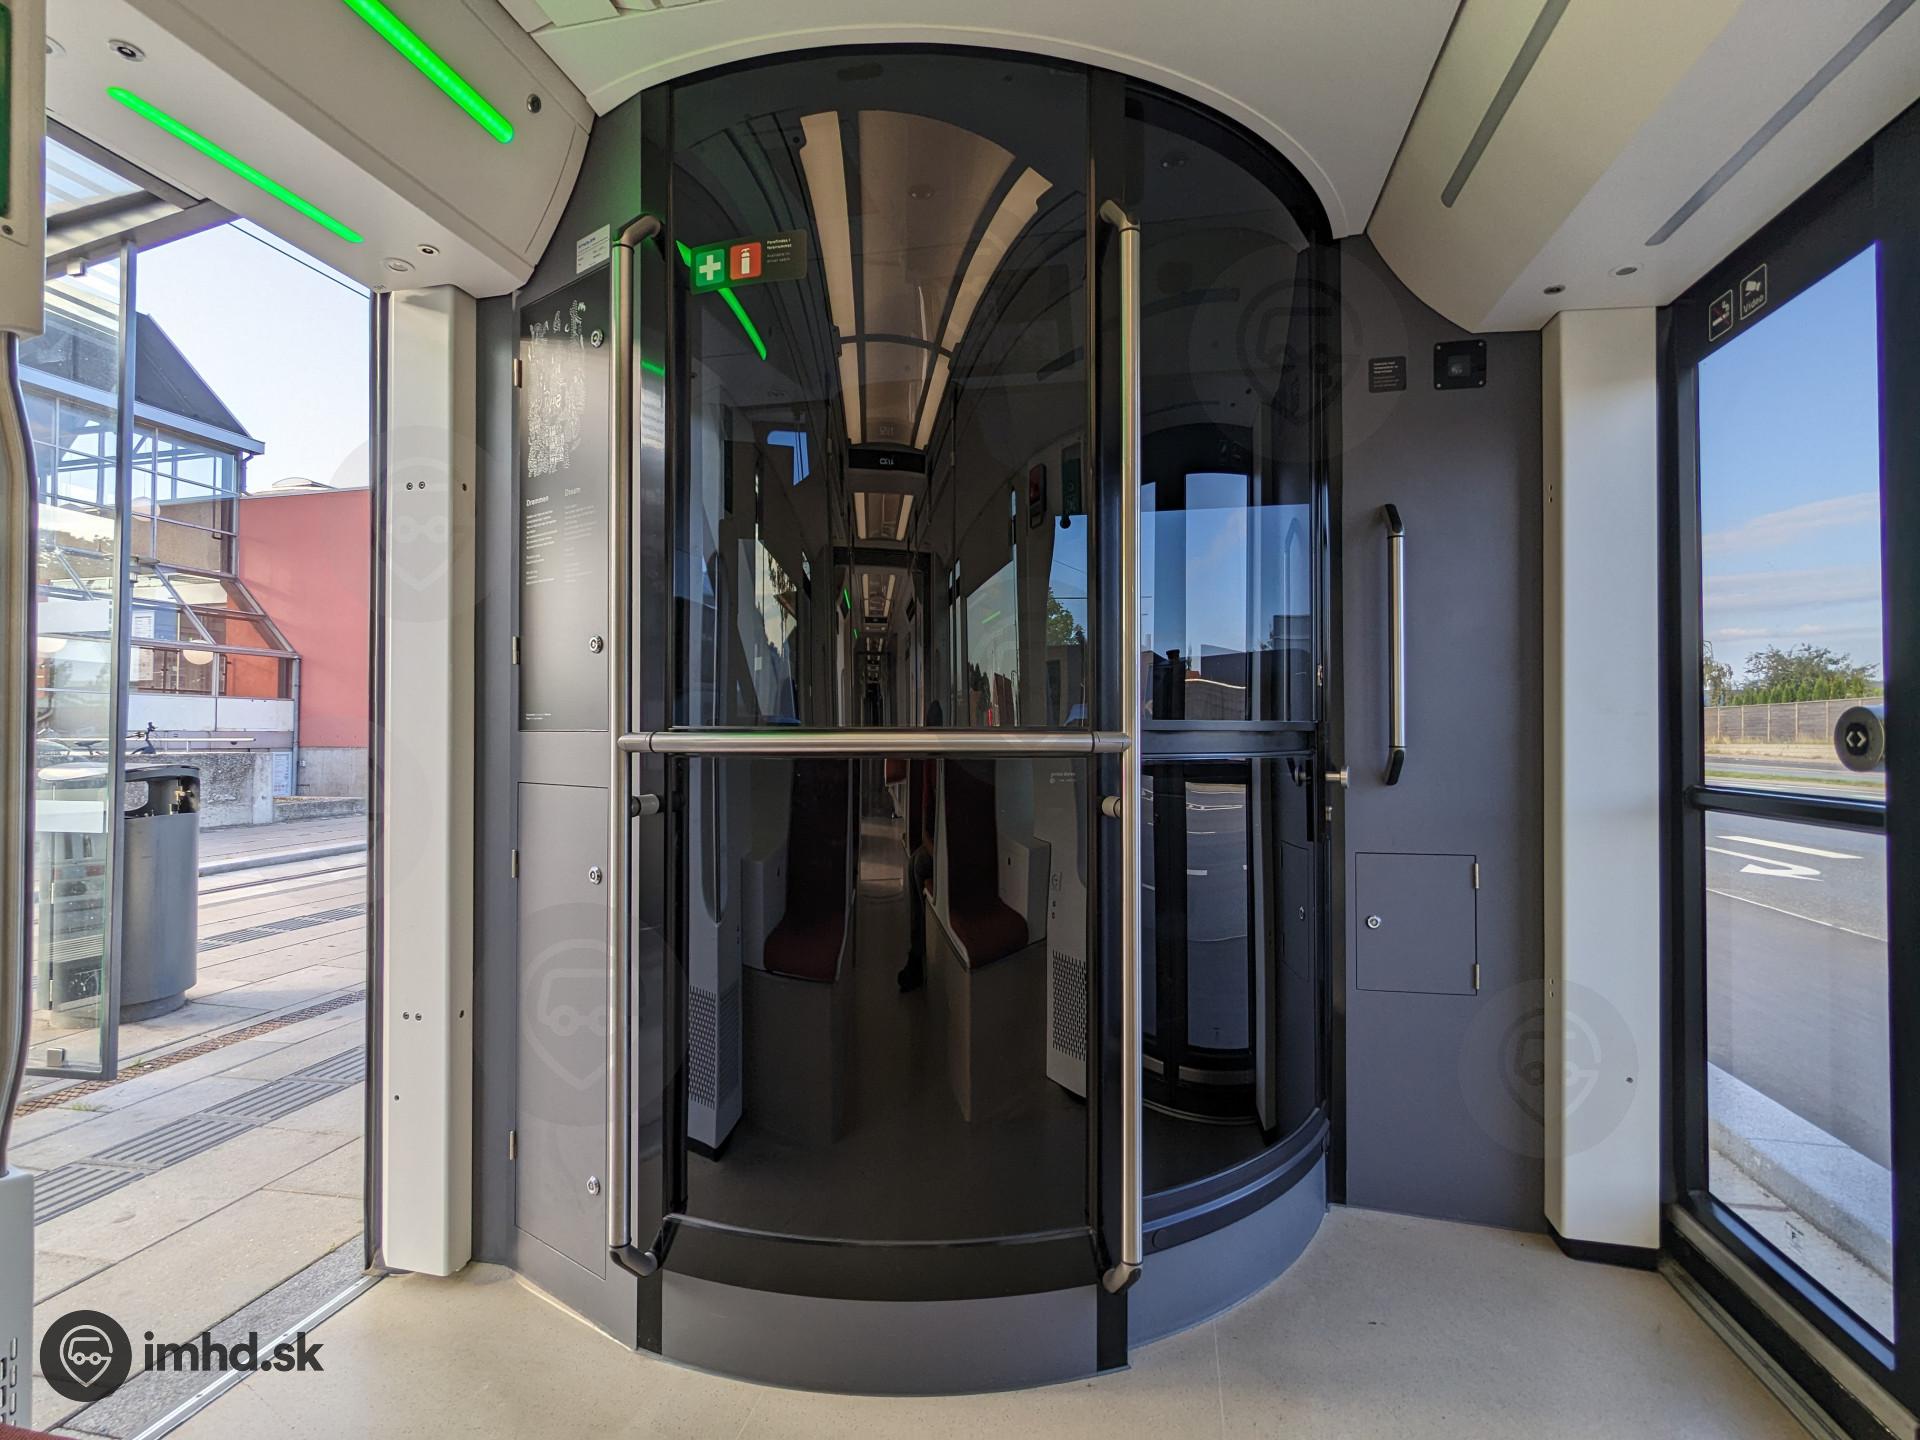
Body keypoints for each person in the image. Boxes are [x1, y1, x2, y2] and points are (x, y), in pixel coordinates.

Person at [898, 700, 941, 992]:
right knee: (916, 863)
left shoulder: (933, 762)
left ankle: (917, 955)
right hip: (940, 843)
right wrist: (938, 853)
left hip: (950, 843)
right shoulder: (932, 764)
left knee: (916, 865)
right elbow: (927, 826)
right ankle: (918, 950)